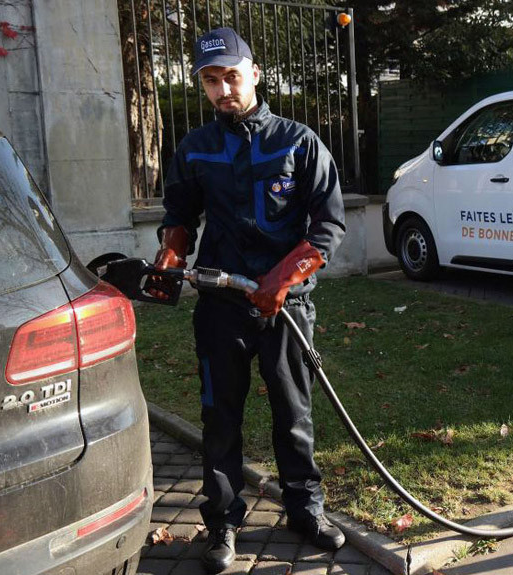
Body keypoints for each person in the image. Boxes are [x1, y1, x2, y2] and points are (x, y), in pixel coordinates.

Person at [149, 27, 346, 574]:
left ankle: (305, 511)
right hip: (221, 304)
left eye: (231, 76)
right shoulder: (194, 149)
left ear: (254, 74)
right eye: (210, 80)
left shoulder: (298, 140)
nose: (222, 89)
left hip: (288, 306)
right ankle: (223, 524)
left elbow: (329, 225)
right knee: (220, 418)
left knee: (294, 413)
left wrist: (283, 278)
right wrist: (170, 255)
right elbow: (179, 215)